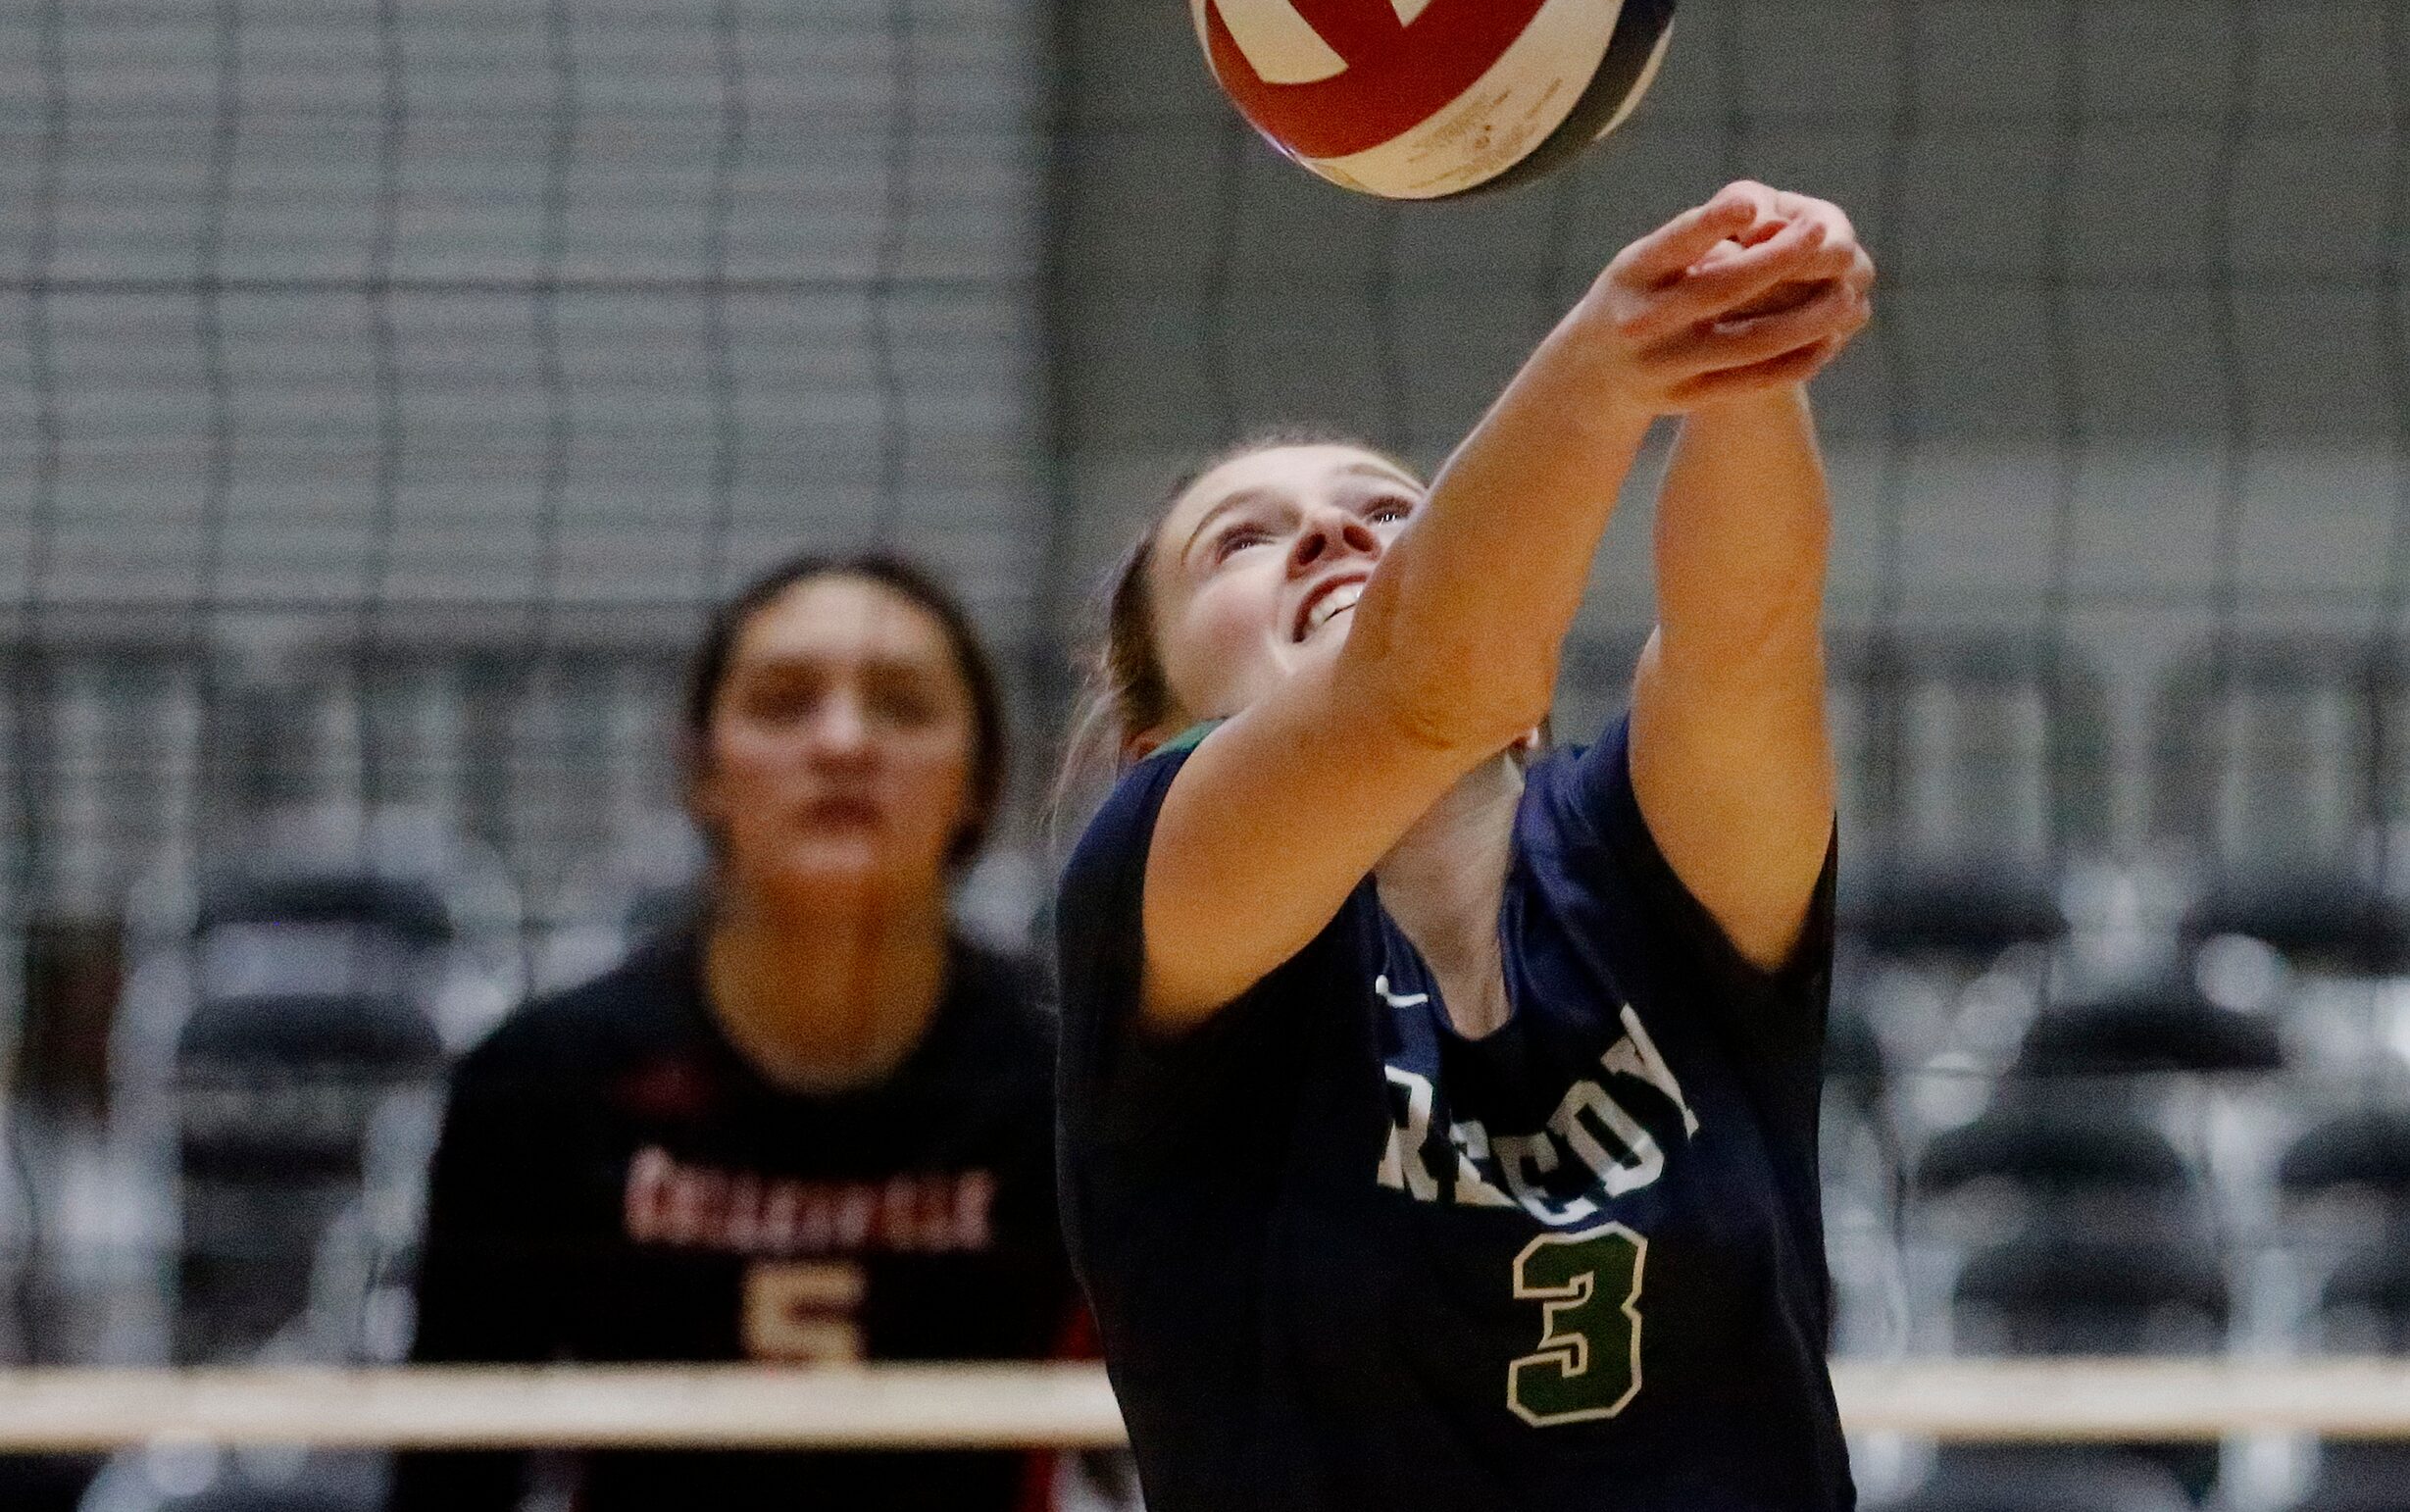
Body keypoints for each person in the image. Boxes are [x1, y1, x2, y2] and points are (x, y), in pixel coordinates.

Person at [1053, 180, 1875, 1512]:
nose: (1329, 533)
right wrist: (1612, 356)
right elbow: (1422, 685)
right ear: (1153, 740)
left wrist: (1746, 334)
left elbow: (1745, 635)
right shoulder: (1147, 891)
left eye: (1390, 513)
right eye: (1241, 543)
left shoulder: (1633, 861)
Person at [392, 553, 1082, 1512]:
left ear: (979, 782)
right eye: (784, 702)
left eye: (902, 705)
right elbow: (448, 1477)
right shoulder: (543, 1081)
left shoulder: (1073, 1081)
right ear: (703, 774)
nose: (843, 742)